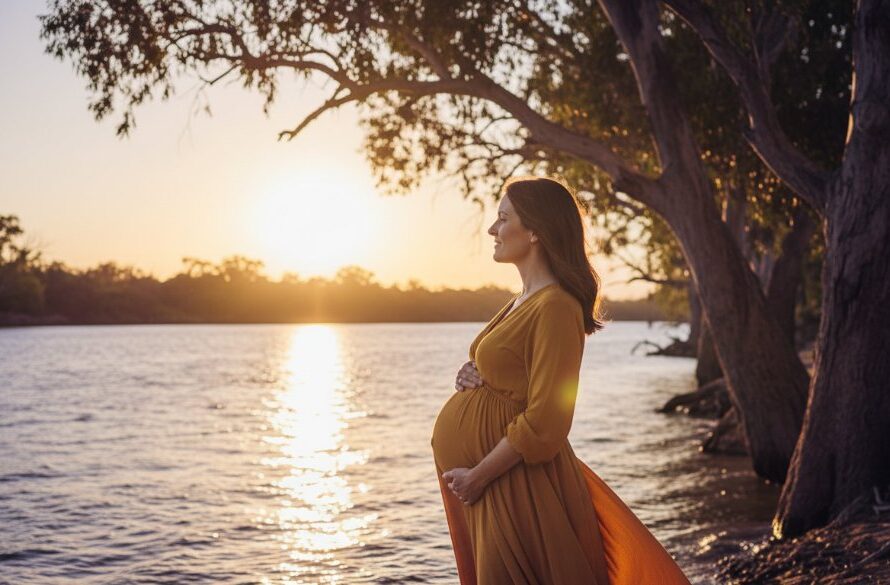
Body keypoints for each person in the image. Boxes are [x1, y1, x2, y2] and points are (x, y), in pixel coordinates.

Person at [430, 177, 692, 584]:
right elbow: (512, 374)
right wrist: (473, 374)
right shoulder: (524, 300)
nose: (492, 230)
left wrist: (478, 475)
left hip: (513, 486)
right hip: (492, 484)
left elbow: (549, 418)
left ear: (535, 231)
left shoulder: (556, 306)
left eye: (503, 219)